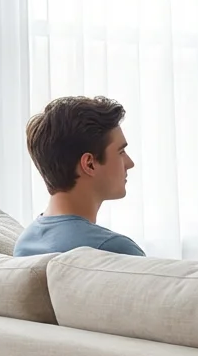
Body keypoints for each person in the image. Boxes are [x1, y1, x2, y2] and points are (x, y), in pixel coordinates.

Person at [14, 96, 144, 258]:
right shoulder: (114, 250)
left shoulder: (24, 244)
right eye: (121, 152)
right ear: (89, 164)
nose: (130, 163)